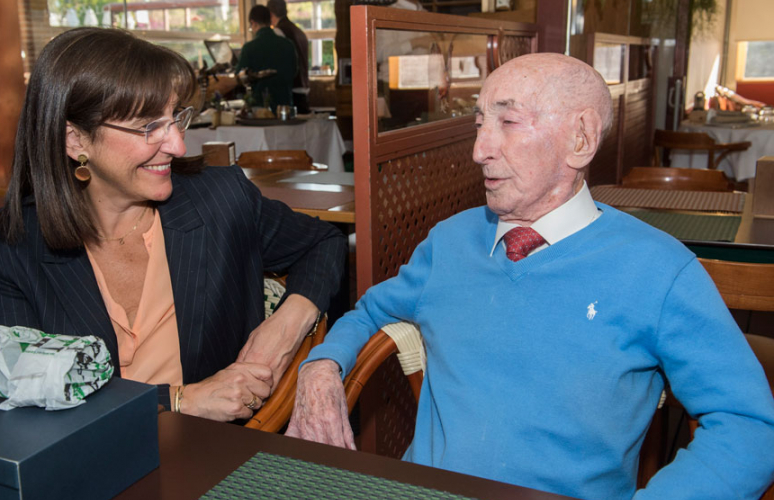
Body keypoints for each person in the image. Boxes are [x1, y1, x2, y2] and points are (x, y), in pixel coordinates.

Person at [285, 53, 774, 499]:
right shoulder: (450, 242)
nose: (479, 149)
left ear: (580, 138)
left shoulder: (658, 271)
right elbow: (371, 309)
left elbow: (750, 425)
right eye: (479, 124)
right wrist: (322, 365)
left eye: (508, 121)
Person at [0, 28, 346, 421]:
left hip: (213, 455)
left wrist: (285, 328)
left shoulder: (219, 201)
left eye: (176, 118)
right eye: (148, 126)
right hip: (86, 460)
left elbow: (325, 242)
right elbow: (24, 387)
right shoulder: (13, 243)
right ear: (75, 140)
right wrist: (177, 400)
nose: (178, 145)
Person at [235, 5, 297, 111]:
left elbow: (239, 77)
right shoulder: (288, 45)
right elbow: (294, 72)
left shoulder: (249, 48)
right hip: (284, 107)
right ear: (270, 21)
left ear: (253, 22)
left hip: (259, 108)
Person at [267, 0, 310, 114]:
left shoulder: (278, 32)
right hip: (304, 87)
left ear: (270, 14)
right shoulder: (299, 31)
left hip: (290, 90)